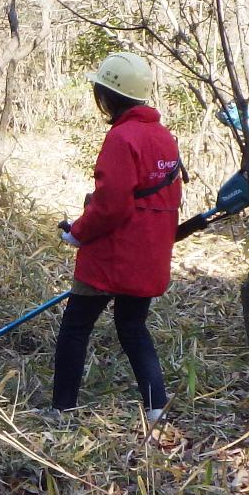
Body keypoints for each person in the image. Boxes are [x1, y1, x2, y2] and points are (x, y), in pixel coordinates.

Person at [50, 52, 181, 426]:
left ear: (108, 95)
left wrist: (76, 233)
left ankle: (62, 408)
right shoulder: (163, 136)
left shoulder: (122, 137)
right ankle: (157, 407)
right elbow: (167, 198)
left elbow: (111, 206)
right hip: (149, 255)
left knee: (75, 327)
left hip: (112, 256)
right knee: (132, 326)